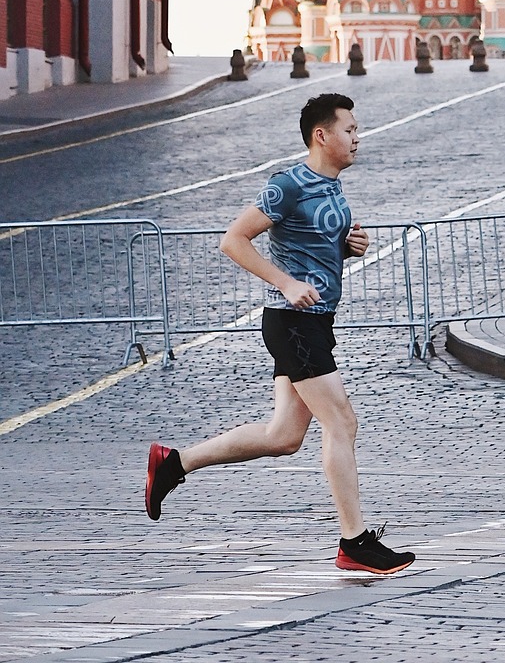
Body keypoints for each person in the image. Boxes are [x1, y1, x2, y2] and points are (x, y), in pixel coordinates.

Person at [145, 91, 414, 575]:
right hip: (291, 325)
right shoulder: (287, 185)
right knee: (343, 423)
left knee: (284, 435)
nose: (357, 137)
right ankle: (353, 543)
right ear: (322, 135)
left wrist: (349, 247)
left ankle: (173, 463)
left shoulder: (330, 185)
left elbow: (311, 247)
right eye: (349, 130)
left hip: (313, 323)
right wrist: (286, 283)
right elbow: (233, 240)